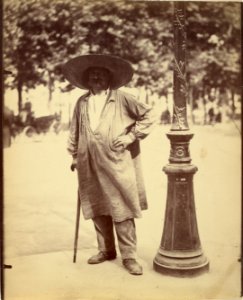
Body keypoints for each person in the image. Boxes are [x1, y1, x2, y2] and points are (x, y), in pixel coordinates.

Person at [63, 54, 156, 275]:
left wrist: (131, 137)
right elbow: (74, 131)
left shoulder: (122, 98)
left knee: (121, 207)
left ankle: (130, 257)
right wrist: (75, 156)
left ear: (109, 78)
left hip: (116, 163)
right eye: (93, 74)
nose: (97, 77)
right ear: (87, 79)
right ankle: (106, 250)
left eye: (101, 74)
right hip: (89, 162)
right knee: (97, 205)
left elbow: (149, 115)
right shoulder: (82, 102)